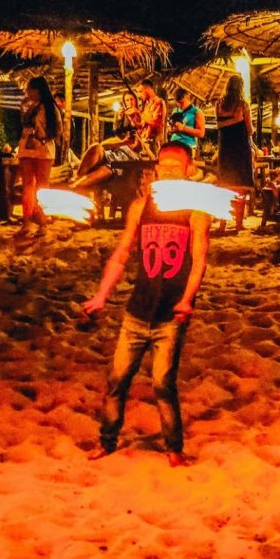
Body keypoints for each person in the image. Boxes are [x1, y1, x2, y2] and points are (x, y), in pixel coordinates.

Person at [81, 142, 211, 467]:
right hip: (136, 312)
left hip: (170, 316)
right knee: (117, 381)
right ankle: (107, 441)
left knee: (163, 384)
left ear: (187, 171)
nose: (167, 172)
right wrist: (101, 295)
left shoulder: (197, 212)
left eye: (174, 168)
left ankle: (174, 449)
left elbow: (199, 261)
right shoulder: (141, 207)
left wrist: (186, 300)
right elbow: (122, 253)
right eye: (163, 166)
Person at [17, 76, 61, 237]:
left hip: (42, 148)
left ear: (38, 90)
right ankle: (27, 221)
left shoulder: (50, 108)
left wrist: (41, 139)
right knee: (28, 186)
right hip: (28, 147)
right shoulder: (30, 106)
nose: (28, 92)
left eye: (30, 89)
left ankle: (42, 222)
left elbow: (57, 130)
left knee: (41, 186)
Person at [215, 75, 255, 231]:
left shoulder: (218, 104)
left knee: (224, 186)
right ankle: (238, 224)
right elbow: (250, 130)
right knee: (241, 186)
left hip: (225, 148)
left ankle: (222, 224)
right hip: (240, 149)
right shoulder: (242, 105)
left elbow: (219, 125)